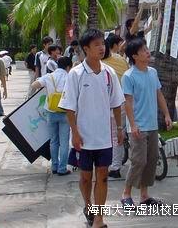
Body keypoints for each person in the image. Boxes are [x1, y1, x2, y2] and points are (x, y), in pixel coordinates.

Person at [60, 29, 125, 228]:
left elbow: (116, 103)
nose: (101, 47)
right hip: (84, 138)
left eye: (102, 44)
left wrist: (119, 128)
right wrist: (75, 133)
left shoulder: (109, 73)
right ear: (86, 49)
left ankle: (99, 218)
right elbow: (69, 107)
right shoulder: (76, 74)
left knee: (103, 177)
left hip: (104, 137)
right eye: (96, 45)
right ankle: (88, 205)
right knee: (86, 178)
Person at [120, 37, 172, 208]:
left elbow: (159, 95)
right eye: (143, 50)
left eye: (146, 48)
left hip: (152, 125)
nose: (147, 52)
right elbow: (127, 102)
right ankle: (126, 194)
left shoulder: (153, 72)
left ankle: (144, 196)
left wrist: (166, 114)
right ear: (134, 56)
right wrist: (132, 125)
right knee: (138, 161)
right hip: (138, 127)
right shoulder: (129, 76)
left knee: (151, 160)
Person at [31, 56, 72, 176]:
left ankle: (54, 166)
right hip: (65, 112)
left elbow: (34, 85)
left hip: (51, 112)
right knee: (64, 142)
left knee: (53, 141)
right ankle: (62, 168)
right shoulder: (69, 77)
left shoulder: (49, 77)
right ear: (68, 67)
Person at [102, 34, 130, 179]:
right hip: (124, 101)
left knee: (113, 135)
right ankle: (116, 163)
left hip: (110, 104)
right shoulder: (120, 59)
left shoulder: (99, 64)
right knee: (118, 133)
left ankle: (115, 166)